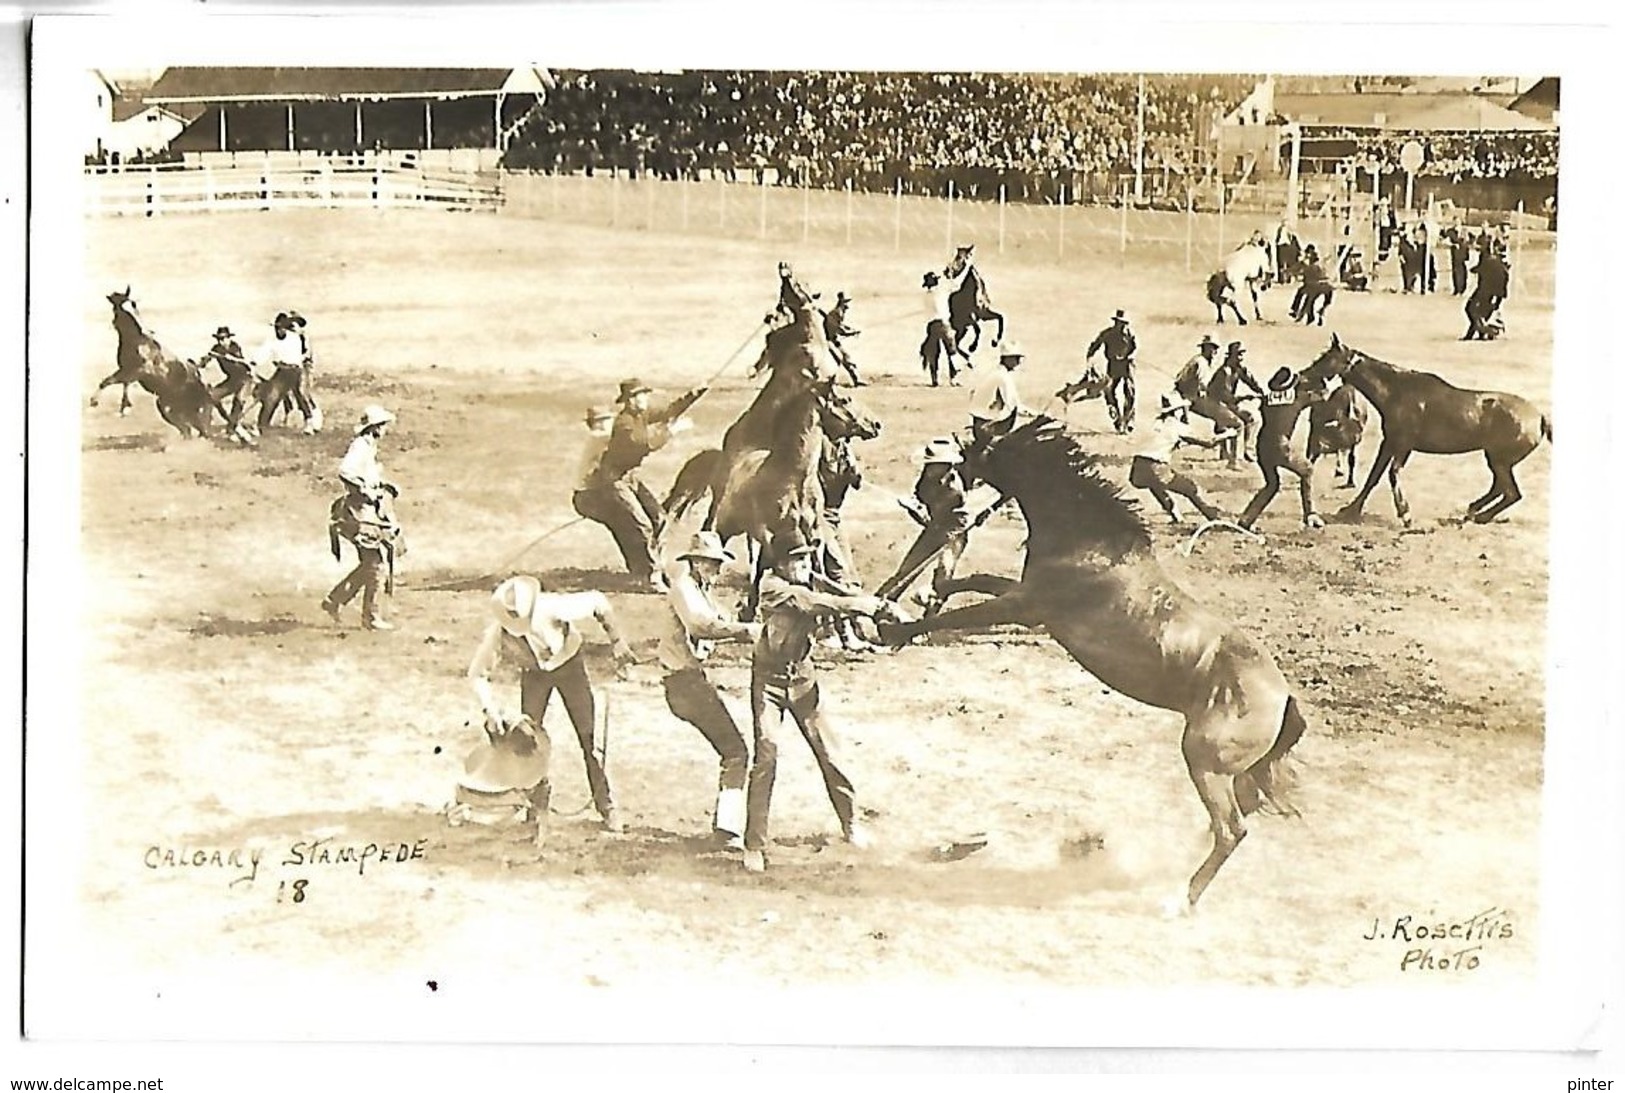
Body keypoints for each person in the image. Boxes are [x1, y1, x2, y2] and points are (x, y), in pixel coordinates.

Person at [743, 534, 895, 873]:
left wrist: (881, 605)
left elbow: (838, 593)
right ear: (780, 565)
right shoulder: (774, 587)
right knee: (766, 753)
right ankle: (754, 844)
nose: (804, 565)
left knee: (829, 751)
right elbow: (814, 603)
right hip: (768, 682)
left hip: (803, 678)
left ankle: (851, 822)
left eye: (807, 559)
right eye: (796, 560)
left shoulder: (807, 578)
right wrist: (863, 606)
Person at [468, 574, 633, 842]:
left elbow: (598, 602)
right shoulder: (498, 632)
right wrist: (490, 710)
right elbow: (477, 674)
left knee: (589, 739)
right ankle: (534, 807)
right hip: (534, 675)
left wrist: (617, 641)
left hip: (570, 667)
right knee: (526, 740)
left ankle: (606, 806)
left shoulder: (553, 606)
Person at [647, 531, 762, 848]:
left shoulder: (700, 589)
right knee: (736, 751)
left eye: (718, 564)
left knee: (734, 751)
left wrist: (738, 619)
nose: (716, 569)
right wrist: (744, 631)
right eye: (710, 563)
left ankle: (726, 827)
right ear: (695, 562)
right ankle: (726, 830)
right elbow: (700, 625)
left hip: (689, 681)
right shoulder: (684, 588)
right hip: (684, 684)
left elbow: (715, 621)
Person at [573, 378, 704, 587]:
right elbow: (644, 445)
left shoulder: (643, 412)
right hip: (614, 479)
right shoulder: (624, 424)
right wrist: (672, 431)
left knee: (660, 518)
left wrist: (696, 393)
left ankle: (653, 566)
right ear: (629, 401)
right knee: (641, 524)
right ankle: (652, 577)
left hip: (629, 476)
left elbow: (669, 410)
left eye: (644, 394)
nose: (642, 399)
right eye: (637, 396)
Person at [322, 405, 404, 631]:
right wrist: (364, 490)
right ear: (375, 428)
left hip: (367, 510)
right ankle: (370, 617)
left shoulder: (368, 446)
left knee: (370, 563)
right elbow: (346, 471)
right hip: (359, 512)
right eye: (383, 426)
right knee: (375, 565)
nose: (385, 430)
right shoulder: (360, 446)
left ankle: (335, 600)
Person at [876, 437, 972, 611]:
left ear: (946, 466)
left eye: (934, 465)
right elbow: (920, 497)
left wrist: (914, 510)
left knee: (943, 575)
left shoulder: (954, 490)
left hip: (953, 533)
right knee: (907, 569)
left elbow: (931, 519)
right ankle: (879, 603)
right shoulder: (927, 477)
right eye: (929, 464)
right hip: (934, 528)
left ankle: (930, 617)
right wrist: (913, 505)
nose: (929, 468)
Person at [1237, 368, 1326, 532]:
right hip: (1280, 446)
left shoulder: (1266, 400)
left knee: (1272, 484)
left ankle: (1246, 519)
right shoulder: (1299, 398)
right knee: (1307, 470)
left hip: (1262, 446)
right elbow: (1322, 397)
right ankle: (1310, 514)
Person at [1128, 395, 1233, 524]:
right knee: (1189, 487)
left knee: (1156, 485)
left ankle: (1175, 515)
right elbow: (1209, 442)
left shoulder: (1154, 423)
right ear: (1177, 410)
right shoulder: (1176, 425)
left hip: (1137, 469)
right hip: (1155, 467)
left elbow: (1158, 443)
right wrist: (1228, 434)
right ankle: (1212, 516)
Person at [250, 311, 319, 435]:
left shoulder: (294, 338)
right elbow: (263, 353)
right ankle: (261, 426)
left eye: (282, 328)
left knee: (300, 395)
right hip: (282, 371)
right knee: (271, 397)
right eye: (278, 328)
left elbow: (302, 354)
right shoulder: (272, 340)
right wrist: (254, 362)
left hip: (295, 371)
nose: (280, 330)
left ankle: (309, 422)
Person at [1206, 341, 1265, 467]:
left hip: (1227, 402)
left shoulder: (1240, 369)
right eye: (1238, 355)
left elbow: (1251, 382)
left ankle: (1247, 450)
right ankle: (1233, 460)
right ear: (1231, 356)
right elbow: (1226, 396)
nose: (1241, 358)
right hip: (1215, 403)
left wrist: (1262, 393)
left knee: (1253, 419)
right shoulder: (1224, 372)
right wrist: (1245, 397)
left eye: (1242, 354)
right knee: (1237, 424)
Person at [1085, 309, 1137, 433]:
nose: (1122, 325)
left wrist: (1129, 356)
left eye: (1124, 323)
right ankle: (1117, 420)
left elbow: (1135, 348)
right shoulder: (1108, 333)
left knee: (1130, 392)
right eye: (1119, 322)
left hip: (1127, 366)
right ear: (1115, 322)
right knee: (1109, 391)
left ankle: (1129, 421)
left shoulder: (1130, 334)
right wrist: (1090, 357)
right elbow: (1095, 345)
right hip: (1113, 366)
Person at [966, 343, 1025, 449]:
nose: (1018, 362)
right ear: (1007, 359)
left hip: (978, 423)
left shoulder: (993, 373)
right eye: (1016, 358)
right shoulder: (1003, 377)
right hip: (989, 427)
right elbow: (1013, 405)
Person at [919, 266, 969, 387]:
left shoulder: (926, 295)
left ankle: (934, 379)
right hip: (943, 324)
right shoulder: (941, 292)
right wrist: (966, 267)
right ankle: (953, 379)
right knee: (952, 351)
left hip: (931, 326)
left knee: (934, 352)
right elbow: (957, 284)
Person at [200, 325, 253, 430]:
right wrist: (202, 362)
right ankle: (205, 429)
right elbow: (206, 360)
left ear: (229, 338)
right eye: (219, 339)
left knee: (238, 401)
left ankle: (232, 428)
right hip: (232, 380)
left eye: (224, 339)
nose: (221, 342)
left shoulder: (235, 347)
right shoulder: (216, 349)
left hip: (244, 379)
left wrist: (230, 357)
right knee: (211, 396)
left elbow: (242, 362)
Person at [1463, 239, 1511, 341]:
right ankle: (1478, 334)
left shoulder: (1489, 261)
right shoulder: (1502, 266)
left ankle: (1485, 331)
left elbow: (1480, 268)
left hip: (1484, 292)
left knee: (1471, 310)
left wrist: (1474, 270)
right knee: (1481, 314)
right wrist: (1499, 301)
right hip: (1494, 295)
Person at [822, 290, 866, 387]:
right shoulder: (836, 313)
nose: (848, 304)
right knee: (842, 358)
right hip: (828, 341)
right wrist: (850, 332)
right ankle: (855, 380)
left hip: (833, 340)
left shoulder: (839, 312)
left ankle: (856, 380)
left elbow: (841, 326)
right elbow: (839, 329)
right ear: (841, 301)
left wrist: (851, 329)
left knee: (845, 358)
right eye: (846, 302)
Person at [1291, 244, 1335, 325]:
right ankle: (1317, 313)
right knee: (1315, 300)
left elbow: (1300, 272)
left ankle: (1299, 312)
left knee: (1307, 298)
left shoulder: (1308, 265)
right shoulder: (1318, 263)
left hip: (1314, 285)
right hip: (1325, 285)